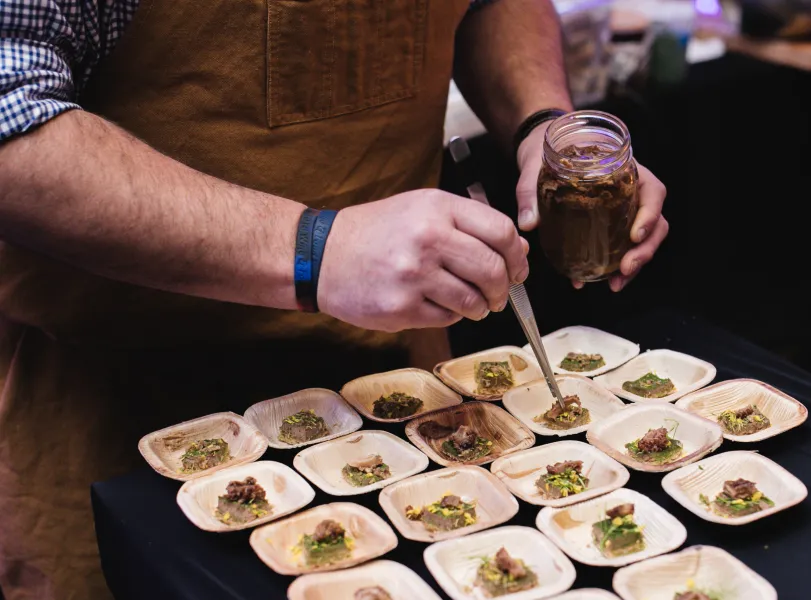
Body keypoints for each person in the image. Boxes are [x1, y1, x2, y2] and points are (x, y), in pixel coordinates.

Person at [0, 0, 668, 598]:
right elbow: (11, 124)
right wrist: (314, 250)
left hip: (405, 391)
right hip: (124, 415)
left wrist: (544, 128)